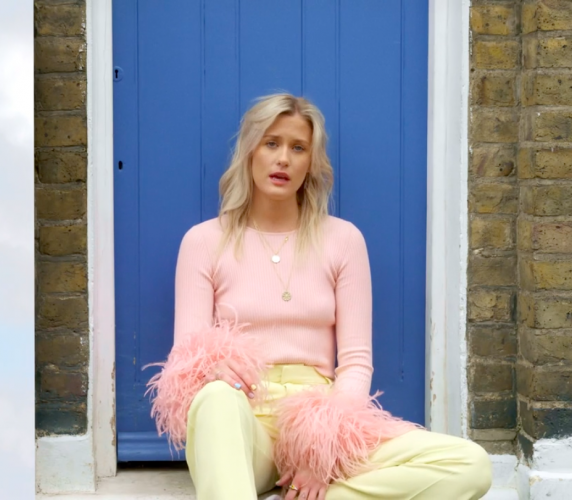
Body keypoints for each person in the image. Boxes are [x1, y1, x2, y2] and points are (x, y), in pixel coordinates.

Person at [145, 94, 492, 500]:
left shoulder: (343, 240)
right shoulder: (204, 241)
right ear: (250, 151)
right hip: (242, 420)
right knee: (214, 397)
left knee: (470, 465)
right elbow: (186, 355)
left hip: (320, 417)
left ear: (311, 162)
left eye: (298, 148)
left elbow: (356, 362)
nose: (283, 159)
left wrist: (321, 451)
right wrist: (213, 370)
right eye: (271, 143)